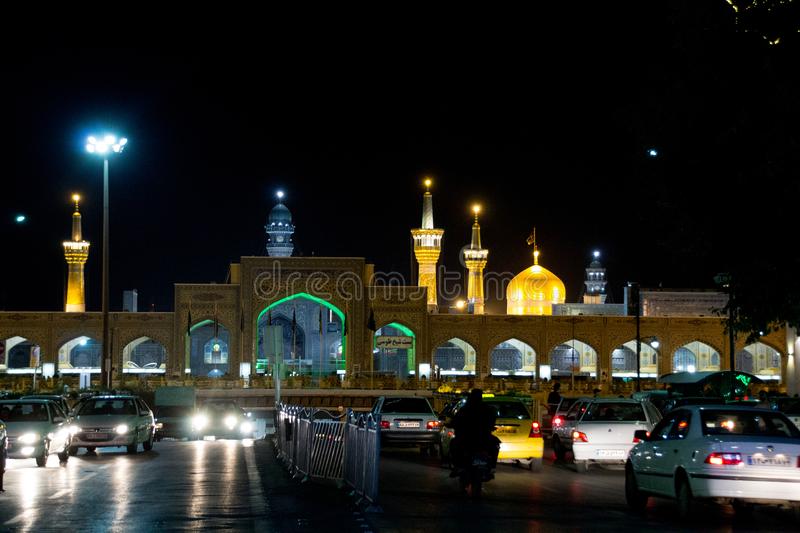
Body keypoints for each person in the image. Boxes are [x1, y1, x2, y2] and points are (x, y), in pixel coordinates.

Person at [449, 389, 500, 476]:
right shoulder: (487, 409)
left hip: (467, 437)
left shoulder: (465, 409)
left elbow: (455, 421)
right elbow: (492, 420)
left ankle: (458, 466)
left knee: (453, 444)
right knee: (495, 445)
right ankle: (492, 467)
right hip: (481, 437)